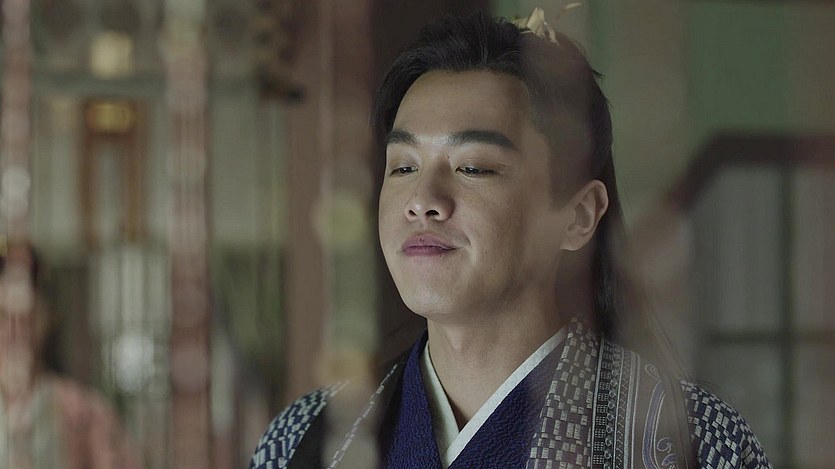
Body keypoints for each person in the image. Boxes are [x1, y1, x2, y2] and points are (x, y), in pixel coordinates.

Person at [250, 9, 771, 468]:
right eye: (403, 166)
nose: (422, 200)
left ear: (578, 216)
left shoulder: (695, 443)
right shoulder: (304, 440)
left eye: (473, 167)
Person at [0, 244, 141, 469]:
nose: (14, 332)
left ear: (47, 317)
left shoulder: (86, 414)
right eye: (3, 317)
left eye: (26, 318)